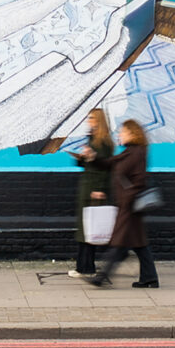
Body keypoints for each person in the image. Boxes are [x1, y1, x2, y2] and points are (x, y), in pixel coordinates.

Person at [92, 118, 160, 288]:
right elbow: (110, 164)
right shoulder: (128, 152)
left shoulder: (136, 153)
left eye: (122, 132)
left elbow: (140, 180)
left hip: (129, 205)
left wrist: (128, 197)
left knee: (119, 243)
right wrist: (93, 158)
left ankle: (101, 278)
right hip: (128, 204)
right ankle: (150, 278)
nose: (119, 135)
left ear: (132, 133)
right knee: (139, 245)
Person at [70, 108, 116, 278]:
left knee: (89, 228)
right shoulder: (93, 140)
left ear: (99, 120)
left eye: (91, 118)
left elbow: (105, 168)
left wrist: (100, 189)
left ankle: (86, 267)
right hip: (87, 187)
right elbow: (92, 164)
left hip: (93, 188)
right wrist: (81, 159)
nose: (88, 121)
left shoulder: (102, 143)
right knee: (85, 227)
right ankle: (83, 266)